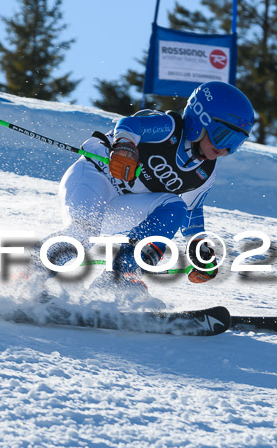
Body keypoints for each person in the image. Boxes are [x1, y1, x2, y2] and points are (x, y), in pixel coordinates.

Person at [36, 81, 255, 294]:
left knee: (175, 206)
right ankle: (28, 271)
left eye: (234, 143)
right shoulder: (169, 129)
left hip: (122, 205)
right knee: (85, 232)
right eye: (223, 136)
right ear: (200, 121)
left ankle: (120, 276)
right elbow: (131, 125)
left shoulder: (205, 174)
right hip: (95, 176)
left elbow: (191, 211)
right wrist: (125, 145)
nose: (223, 149)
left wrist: (199, 250)